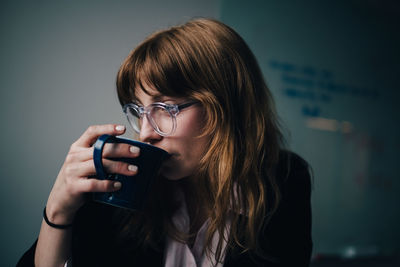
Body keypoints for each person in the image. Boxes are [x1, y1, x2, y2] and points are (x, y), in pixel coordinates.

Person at [17, 18, 312, 267]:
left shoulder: (282, 180)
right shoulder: (122, 183)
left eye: (165, 108)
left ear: (227, 107)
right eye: (139, 111)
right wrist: (58, 212)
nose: (146, 132)